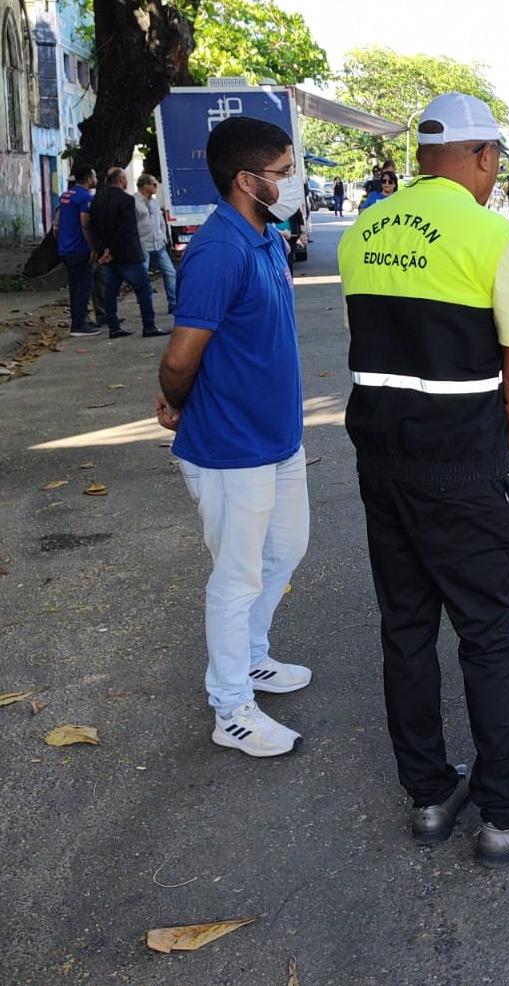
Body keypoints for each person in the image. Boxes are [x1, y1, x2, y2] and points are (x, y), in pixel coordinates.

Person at [339, 93, 509, 864]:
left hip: (382, 458)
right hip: (460, 464)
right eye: (496, 160)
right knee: (490, 631)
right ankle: (506, 811)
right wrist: (498, 448)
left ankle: (427, 796)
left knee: (407, 628)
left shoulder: (364, 230)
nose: (495, 173)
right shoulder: (493, 238)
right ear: (481, 156)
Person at [153, 116, 313, 759]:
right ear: (247, 180)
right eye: (283, 172)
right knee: (237, 576)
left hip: (278, 438)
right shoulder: (218, 250)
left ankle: (250, 657)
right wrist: (176, 403)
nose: (294, 182)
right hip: (229, 446)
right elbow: (180, 357)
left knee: (286, 551)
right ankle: (231, 707)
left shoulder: (267, 237)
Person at [91, 167, 164, 338]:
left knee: (110, 292)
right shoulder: (126, 200)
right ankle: (149, 325)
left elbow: (94, 228)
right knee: (143, 289)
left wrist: (103, 251)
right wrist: (112, 250)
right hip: (127, 254)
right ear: (121, 179)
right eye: (125, 179)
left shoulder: (97, 200)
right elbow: (126, 229)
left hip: (108, 256)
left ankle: (113, 327)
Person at [57, 165, 102, 338]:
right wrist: (92, 247)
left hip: (65, 247)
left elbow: (57, 224)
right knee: (83, 287)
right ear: (89, 179)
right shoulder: (85, 197)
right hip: (79, 248)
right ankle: (79, 324)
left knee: (75, 287)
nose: (96, 180)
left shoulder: (66, 195)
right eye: (94, 177)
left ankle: (81, 319)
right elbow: (85, 224)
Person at [134, 173, 177, 315]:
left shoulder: (154, 202)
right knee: (142, 277)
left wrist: (164, 236)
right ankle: (145, 306)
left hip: (159, 244)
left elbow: (160, 221)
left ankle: (173, 303)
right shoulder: (134, 202)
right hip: (143, 244)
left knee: (170, 272)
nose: (156, 186)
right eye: (153, 184)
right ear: (145, 185)